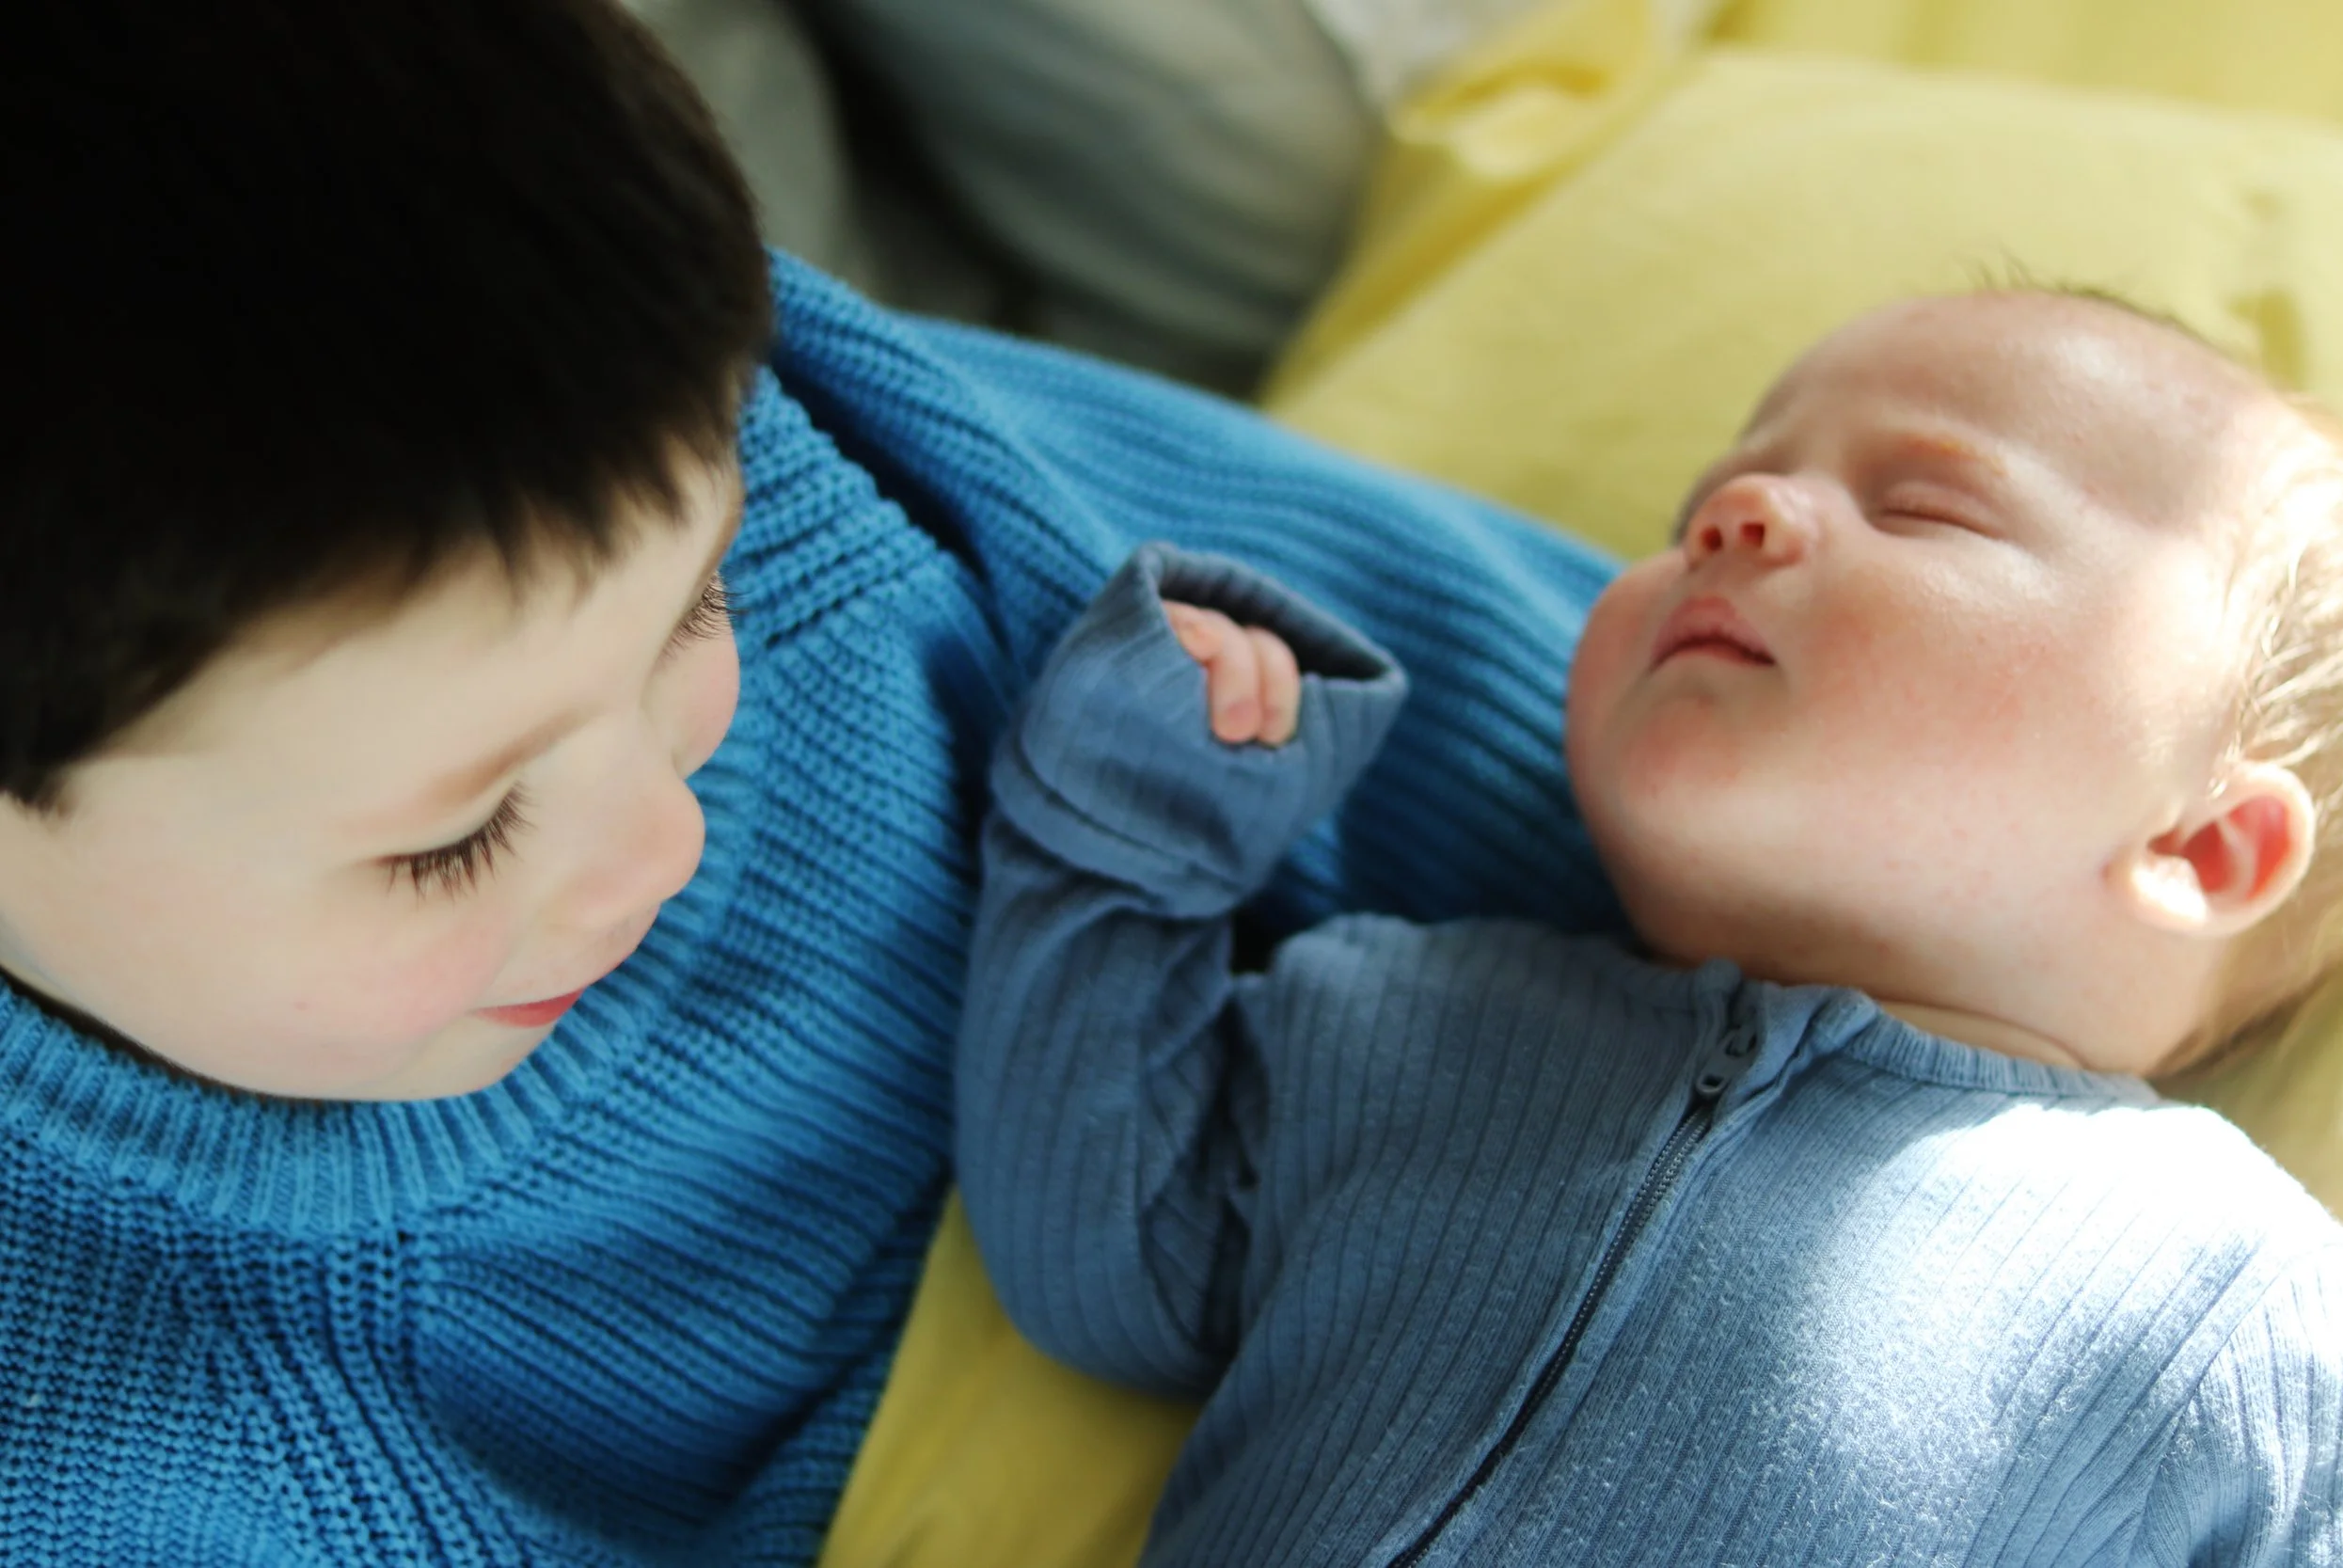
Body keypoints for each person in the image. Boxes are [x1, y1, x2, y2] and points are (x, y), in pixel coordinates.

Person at [0, 3, 1627, 1560]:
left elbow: (1384, 633)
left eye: (695, 611)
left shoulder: (700, 440)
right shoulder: (123, 1434)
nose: (666, 837)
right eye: (458, 837)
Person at [958, 289, 2343, 1566]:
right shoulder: (1401, 1017)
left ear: (2201, 842)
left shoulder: (2233, 1308)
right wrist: (1137, 825)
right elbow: (1112, 1257)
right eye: (1698, 502)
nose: (1737, 508)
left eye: (1926, 506)